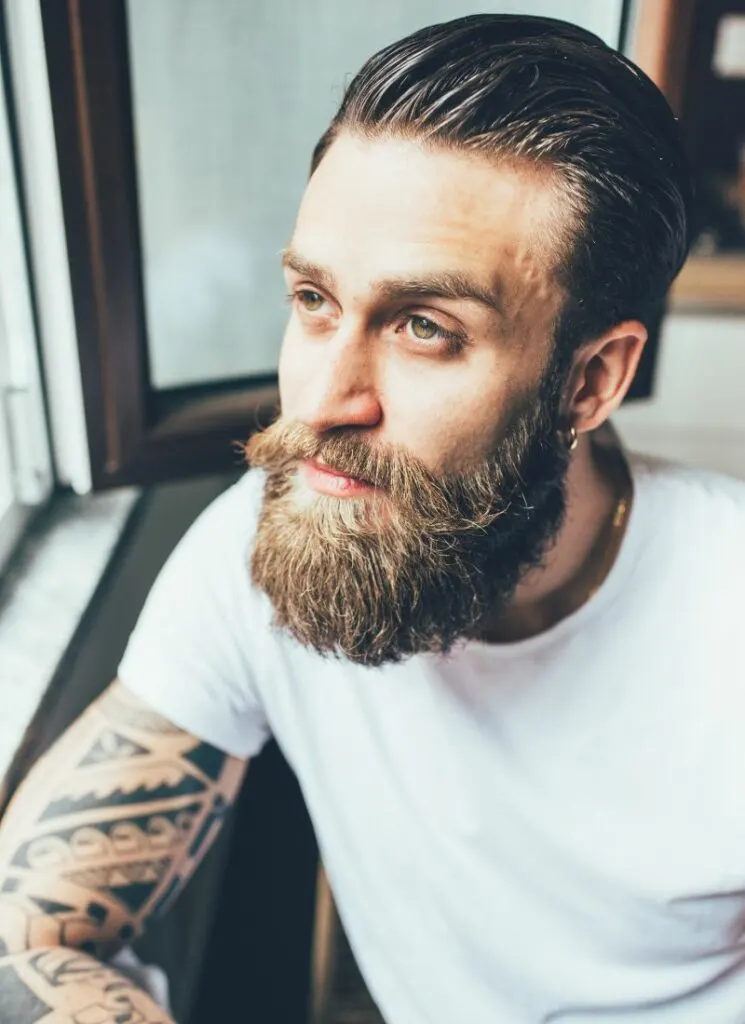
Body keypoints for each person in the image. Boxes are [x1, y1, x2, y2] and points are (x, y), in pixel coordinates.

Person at [1, 13, 743, 1024]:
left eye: (424, 327)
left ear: (589, 380)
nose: (320, 401)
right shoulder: (276, 536)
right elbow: (30, 929)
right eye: (313, 300)